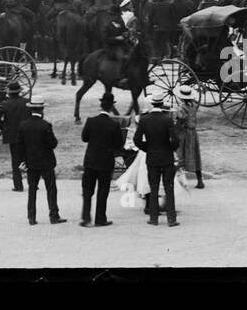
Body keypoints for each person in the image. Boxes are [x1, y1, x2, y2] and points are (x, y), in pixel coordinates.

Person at [15, 99, 64, 225]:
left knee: (32, 190)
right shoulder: (45, 125)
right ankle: (54, 215)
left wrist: (22, 161)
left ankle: (31, 217)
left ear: (31, 109)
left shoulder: (23, 125)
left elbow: (19, 146)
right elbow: (53, 144)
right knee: (51, 189)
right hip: (46, 161)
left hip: (31, 162)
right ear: (42, 109)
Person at [134, 95, 181, 226]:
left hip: (152, 158)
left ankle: (153, 218)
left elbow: (137, 140)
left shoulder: (144, 120)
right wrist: (170, 149)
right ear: (161, 105)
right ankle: (171, 218)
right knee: (168, 188)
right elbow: (175, 140)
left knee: (153, 188)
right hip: (166, 158)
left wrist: (147, 149)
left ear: (153, 105)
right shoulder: (167, 120)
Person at [80, 92, 123, 226]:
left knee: (87, 190)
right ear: (111, 107)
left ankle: (86, 217)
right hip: (105, 161)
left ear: (101, 105)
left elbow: (84, 138)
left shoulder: (90, 121)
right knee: (103, 191)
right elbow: (119, 144)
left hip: (91, 160)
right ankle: (100, 218)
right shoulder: (114, 124)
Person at [0, 82, 29, 192]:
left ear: (9, 93)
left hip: (12, 135)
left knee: (15, 160)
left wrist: (2, 127)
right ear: (19, 91)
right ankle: (33, 182)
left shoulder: (5, 104)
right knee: (28, 158)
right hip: (26, 134)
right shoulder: (26, 102)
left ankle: (18, 185)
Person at [172, 84, 204, 189]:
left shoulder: (182, 108)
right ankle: (200, 181)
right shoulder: (193, 106)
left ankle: (172, 180)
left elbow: (179, 122)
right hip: (193, 133)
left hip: (184, 133)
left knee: (179, 156)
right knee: (195, 155)